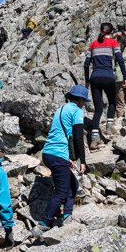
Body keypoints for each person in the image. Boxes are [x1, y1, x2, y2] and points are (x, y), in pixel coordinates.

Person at [32, 85, 89, 237]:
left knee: (73, 184)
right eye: (84, 101)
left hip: (49, 153)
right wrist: (82, 160)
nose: (84, 104)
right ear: (81, 100)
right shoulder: (77, 111)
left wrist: (67, 159)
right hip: (57, 154)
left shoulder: (61, 109)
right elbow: (78, 137)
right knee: (62, 191)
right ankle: (43, 224)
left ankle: (67, 215)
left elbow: (58, 134)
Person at [83, 22, 126, 148]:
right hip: (108, 77)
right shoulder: (114, 43)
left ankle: (94, 138)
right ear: (111, 32)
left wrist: (87, 79)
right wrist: (124, 77)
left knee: (98, 110)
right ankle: (108, 127)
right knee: (112, 102)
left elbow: (86, 64)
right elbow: (120, 60)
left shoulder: (93, 44)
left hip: (95, 78)